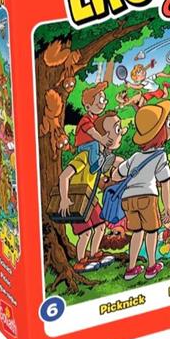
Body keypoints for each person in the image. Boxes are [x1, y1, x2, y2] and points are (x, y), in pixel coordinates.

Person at [58, 111, 126, 273]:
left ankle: (95, 254)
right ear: (103, 136)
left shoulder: (99, 159)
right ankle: (81, 261)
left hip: (90, 198)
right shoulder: (85, 156)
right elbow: (64, 176)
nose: (120, 134)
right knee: (85, 232)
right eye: (117, 130)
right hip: (76, 198)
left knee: (101, 226)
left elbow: (104, 172)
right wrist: (64, 198)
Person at [115, 100, 170, 281]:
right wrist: (168, 207)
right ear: (160, 132)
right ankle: (151, 266)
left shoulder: (135, 156)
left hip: (128, 200)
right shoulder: (160, 156)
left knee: (137, 232)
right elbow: (164, 183)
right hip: (147, 198)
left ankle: (131, 268)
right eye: (168, 123)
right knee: (152, 231)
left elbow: (117, 175)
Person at [75, 82, 114, 173]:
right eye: (100, 101)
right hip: (84, 146)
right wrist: (102, 139)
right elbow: (93, 132)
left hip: (94, 143)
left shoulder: (96, 118)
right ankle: (94, 164)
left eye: (104, 100)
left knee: (100, 144)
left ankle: (105, 159)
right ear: (88, 107)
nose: (104, 103)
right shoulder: (85, 120)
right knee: (95, 144)